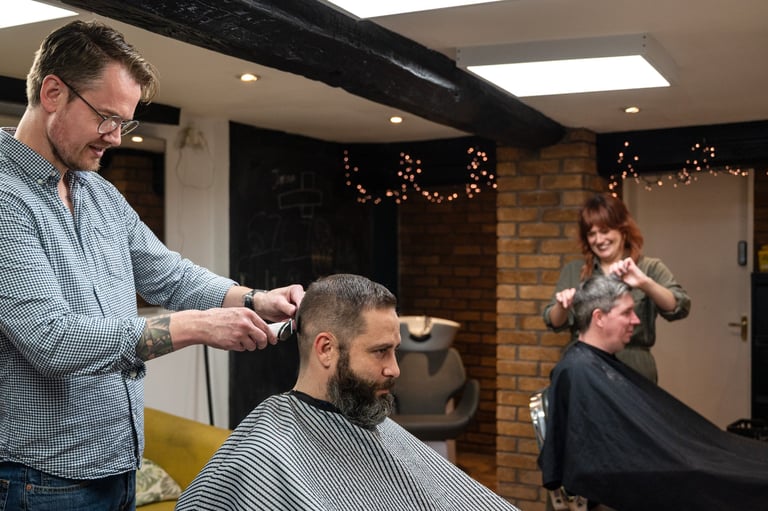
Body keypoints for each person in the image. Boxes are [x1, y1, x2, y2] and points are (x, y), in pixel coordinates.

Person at [0, 20, 304, 510]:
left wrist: (255, 300)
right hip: (40, 481)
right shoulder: (4, 198)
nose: (116, 138)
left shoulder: (99, 193)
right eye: (106, 118)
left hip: (119, 466)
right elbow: (50, 339)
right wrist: (194, 327)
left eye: (125, 122)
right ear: (53, 92)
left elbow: (170, 274)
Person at [176, 274, 520, 511]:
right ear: (325, 349)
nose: (395, 369)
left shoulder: (372, 425)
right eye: (380, 351)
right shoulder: (263, 451)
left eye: (395, 351)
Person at [538, 275, 768, 511]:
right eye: (627, 312)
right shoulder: (578, 371)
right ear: (599, 317)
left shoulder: (591, 364)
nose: (636, 320)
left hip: (681, 456)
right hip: (672, 468)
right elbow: (599, 454)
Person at [543, 192, 691, 383]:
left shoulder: (649, 267)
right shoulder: (575, 271)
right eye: (591, 234)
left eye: (605, 231)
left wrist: (644, 283)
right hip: (586, 368)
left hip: (634, 368)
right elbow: (553, 322)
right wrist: (562, 306)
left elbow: (679, 306)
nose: (598, 239)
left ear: (622, 230)